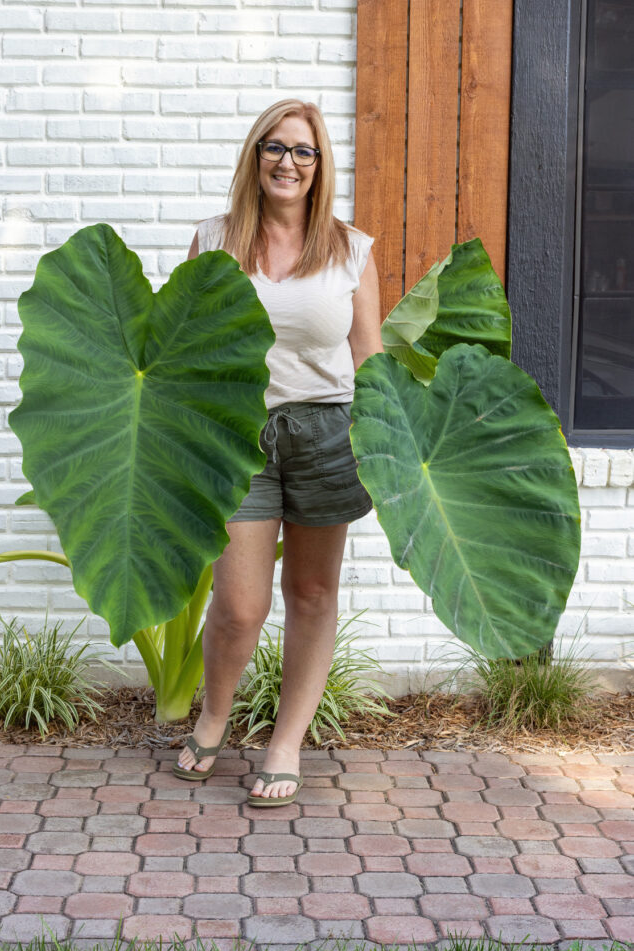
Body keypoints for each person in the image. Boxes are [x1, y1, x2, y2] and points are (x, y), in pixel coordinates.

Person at [174, 98, 382, 806]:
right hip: (239, 436)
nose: (286, 162)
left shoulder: (350, 248)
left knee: (313, 593)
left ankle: (286, 742)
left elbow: (369, 357)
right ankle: (212, 715)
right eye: (273, 147)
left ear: (319, 166)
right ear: (253, 156)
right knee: (238, 604)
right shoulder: (213, 239)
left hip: (328, 434)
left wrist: (390, 447)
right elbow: (185, 349)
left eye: (302, 151)